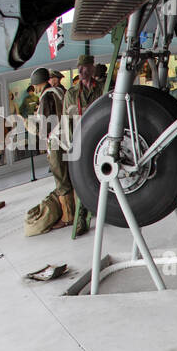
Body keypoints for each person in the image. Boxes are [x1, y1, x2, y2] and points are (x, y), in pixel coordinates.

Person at [62, 54, 102, 234]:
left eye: (85, 67)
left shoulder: (102, 88)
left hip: (101, 140)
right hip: (80, 142)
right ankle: (80, 220)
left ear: (92, 68)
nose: (81, 70)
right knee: (81, 182)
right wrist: (71, 144)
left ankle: (106, 213)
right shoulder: (71, 94)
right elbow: (65, 121)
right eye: (79, 67)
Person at [33, 66, 72, 229]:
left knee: (61, 180)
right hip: (67, 139)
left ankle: (68, 216)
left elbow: (43, 127)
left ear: (36, 84)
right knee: (70, 176)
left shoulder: (46, 97)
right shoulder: (60, 92)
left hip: (56, 142)